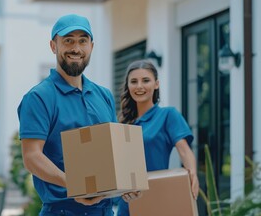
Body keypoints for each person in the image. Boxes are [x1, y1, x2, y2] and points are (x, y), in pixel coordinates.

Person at [17, 14, 118, 216]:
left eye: (83, 41)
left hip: (105, 211)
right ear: (54, 46)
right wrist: (74, 185)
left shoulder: (103, 95)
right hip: (63, 210)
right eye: (68, 40)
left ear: (91, 46)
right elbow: (31, 156)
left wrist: (126, 186)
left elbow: (114, 151)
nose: (76, 48)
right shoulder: (39, 97)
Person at [116, 59, 199, 216]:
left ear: (156, 84)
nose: (139, 86)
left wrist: (192, 172)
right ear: (128, 86)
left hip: (156, 198)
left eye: (145, 80)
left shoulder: (167, 115)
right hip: (127, 203)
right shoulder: (122, 124)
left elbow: (183, 149)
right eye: (134, 81)